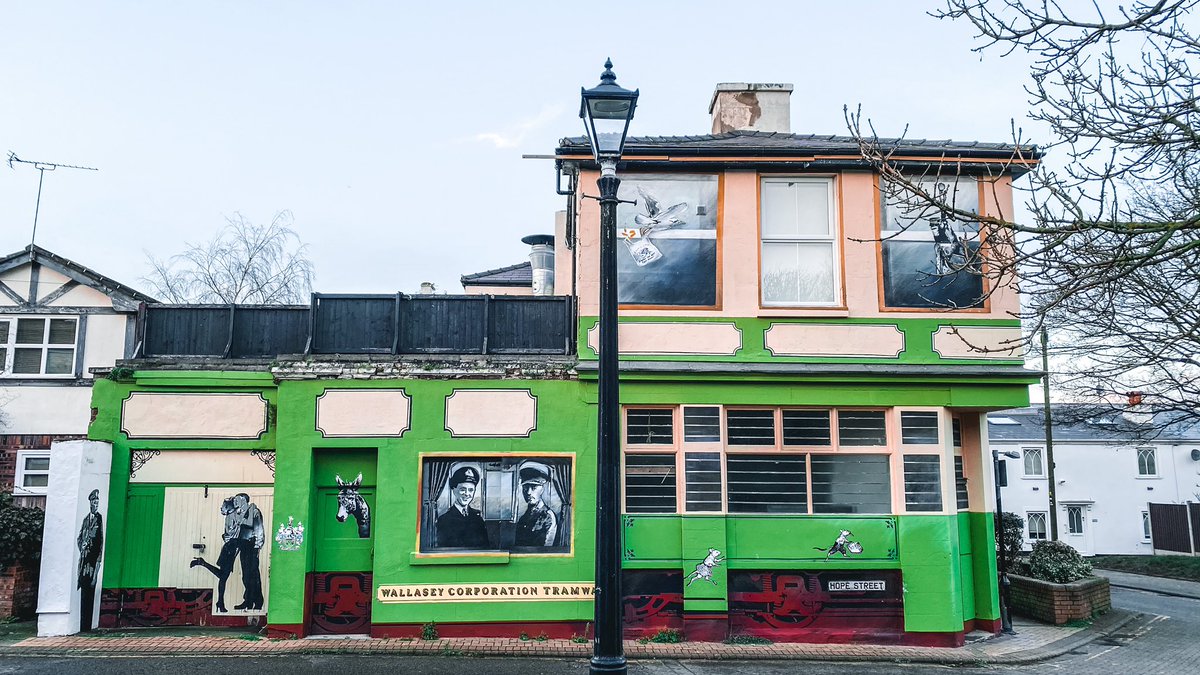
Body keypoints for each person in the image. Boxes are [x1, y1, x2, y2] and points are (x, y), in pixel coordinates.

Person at [191, 493, 265, 612]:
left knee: (253, 575)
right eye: (234, 500)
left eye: (237, 500)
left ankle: (256, 601)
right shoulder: (236, 514)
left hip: (250, 547)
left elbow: (259, 530)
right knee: (244, 576)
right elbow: (230, 532)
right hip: (238, 547)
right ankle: (247, 601)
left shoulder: (254, 511)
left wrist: (257, 547)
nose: (235, 502)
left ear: (243, 500)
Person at [435, 466, 489, 548]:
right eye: (463, 489)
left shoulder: (478, 518)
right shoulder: (444, 520)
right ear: (454, 490)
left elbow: (485, 546)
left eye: (471, 490)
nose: (467, 494)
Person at [77, 489, 103, 633]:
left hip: (92, 562)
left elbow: (101, 542)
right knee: (84, 589)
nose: (96, 505)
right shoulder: (86, 519)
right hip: (84, 561)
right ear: (90, 503)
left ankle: (87, 625)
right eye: (94, 502)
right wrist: (82, 547)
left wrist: (98, 561)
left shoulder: (99, 518)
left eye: (97, 502)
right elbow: (79, 537)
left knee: (91, 589)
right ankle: (83, 625)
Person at [514, 463, 558, 548]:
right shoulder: (523, 517)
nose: (528, 492)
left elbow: (547, 549)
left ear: (542, 489)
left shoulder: (548, 516)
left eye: (534, 488)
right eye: (525, 488)